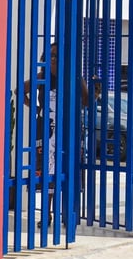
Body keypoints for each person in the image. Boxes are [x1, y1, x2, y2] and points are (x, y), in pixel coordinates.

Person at [22, 41, 90, 180]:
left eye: (57, 56)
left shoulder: (74, 77)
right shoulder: (42, 76)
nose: (53, 59)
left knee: (69, 175)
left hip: (69, 129)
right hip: (46, 130)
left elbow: (86, 101)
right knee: (47, 175)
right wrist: (36, 109)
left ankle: (69, 202)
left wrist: (95, 92)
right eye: (51, 55)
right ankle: (47, 201)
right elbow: (20, 91)